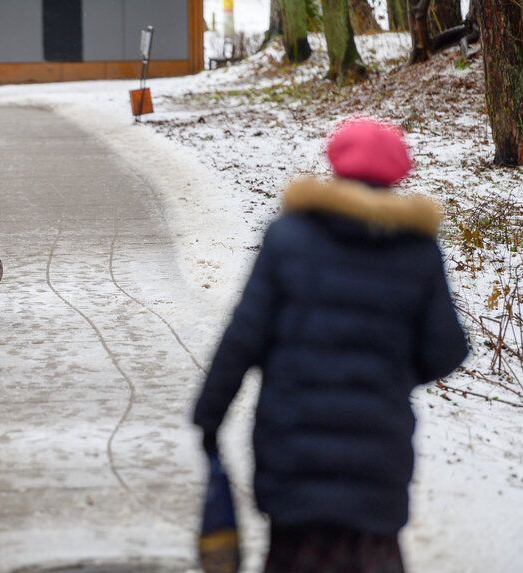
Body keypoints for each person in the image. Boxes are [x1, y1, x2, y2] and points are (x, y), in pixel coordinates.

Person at [193, 117, 468, 572]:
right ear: (397, 174)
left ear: (335, 164)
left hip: (293, 456)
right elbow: (447, 350)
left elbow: (243, 338)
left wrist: (208, 416)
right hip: (377, 463)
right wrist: (393, 373)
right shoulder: (417, 251)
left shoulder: (288, 238)